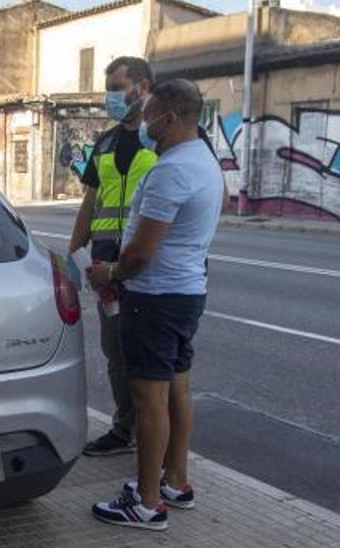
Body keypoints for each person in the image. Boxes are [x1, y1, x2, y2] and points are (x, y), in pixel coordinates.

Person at [87, 79, 223, 531]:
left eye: (148, 117)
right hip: (186, 293)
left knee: (149, 401)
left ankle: (145, 503)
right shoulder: (204, 159)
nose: (142, 124)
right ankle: (175, 482)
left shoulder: (171, 171)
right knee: (177, 391)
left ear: (168, 118)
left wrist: (109, 274)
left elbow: (141, 255)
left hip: (155, 298)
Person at [68, 57, 159, 458]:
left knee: (153, 358)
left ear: (142, 87)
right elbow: (90, 201)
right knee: (116, 353)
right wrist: (74, 252)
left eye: (117, 87)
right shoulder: (104, 143)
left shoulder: (162, 140)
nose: (111, 97)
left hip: (149, 264)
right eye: (108, 88)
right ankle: (125, 430)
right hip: (106, 269)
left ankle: (156, 438)